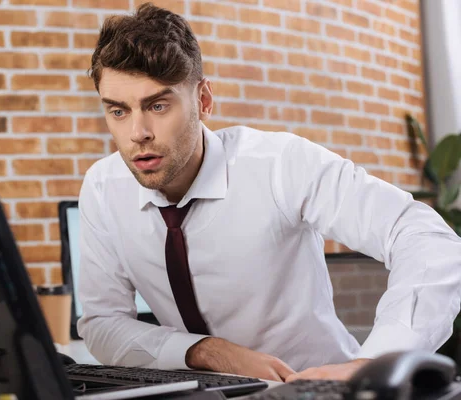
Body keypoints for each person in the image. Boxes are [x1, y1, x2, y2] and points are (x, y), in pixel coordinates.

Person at [76, 3, 461, 382]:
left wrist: (374, 364)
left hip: (317, 390)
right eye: (118, 111)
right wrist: (204, 350)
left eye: (158, 105)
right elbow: (102, 322)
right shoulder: (103, 187)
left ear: (203, 100)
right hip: (201, 390)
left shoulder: (280, 163)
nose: (138, 133)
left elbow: (427, 239)